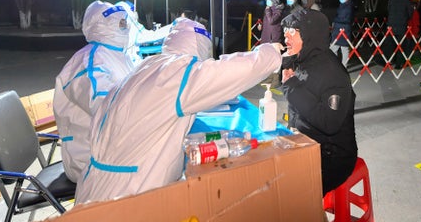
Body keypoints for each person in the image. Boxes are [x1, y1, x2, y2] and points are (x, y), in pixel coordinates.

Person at [75, 17, 283, 204]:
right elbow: (237, 70)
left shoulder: (149, 67)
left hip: (96, 187)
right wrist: (270, 51)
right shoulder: (177, 73)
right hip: (126, 196)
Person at [53, 0, 136, 183]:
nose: (124, 26)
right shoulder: (90, 61)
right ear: (100, 25)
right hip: (88, 159)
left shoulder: (117, 55)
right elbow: (103, 104)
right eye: (119, 22)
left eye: (124, 22)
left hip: (108, 146)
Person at [281, 9, 357, 195]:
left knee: (289, 195)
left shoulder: (333, 73)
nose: (286, 38)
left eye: (292, 31)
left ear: (310, 35)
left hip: (331, 158)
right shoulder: (303, 60)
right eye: (285, 32)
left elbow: (329, 123)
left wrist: (292, 87)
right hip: (307, 145)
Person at [387, 0, 413, 69]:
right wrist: (405, 19)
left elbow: (388, 10)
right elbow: (410, 12)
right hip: (401, 25)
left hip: (391, 25)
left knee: (392, 44)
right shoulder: (406, 0)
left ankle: (392, 60)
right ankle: (398, 63)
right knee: (400, 44)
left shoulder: (391, 0)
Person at [330, 0, 353, 68]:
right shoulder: (341, 5)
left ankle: (344, 66)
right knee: (334, 48)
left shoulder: (349, 6)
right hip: (337, 30)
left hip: (344, 30)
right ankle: (336, 65)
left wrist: (335, 20)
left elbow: (345, 19)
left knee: (344, 49)